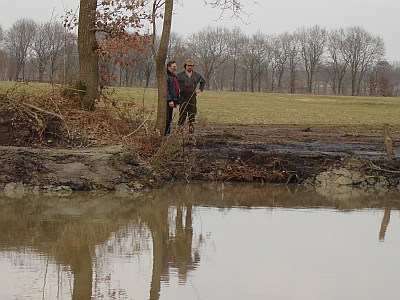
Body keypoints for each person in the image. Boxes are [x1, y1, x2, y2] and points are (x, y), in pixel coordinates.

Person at [177, 59, 206, 134]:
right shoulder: (179, 75)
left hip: (192, 97)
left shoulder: (196, 75)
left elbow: (203, 81)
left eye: (191, 66)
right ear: (185, 66)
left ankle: (191, 130)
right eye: (188, 65)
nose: (190, 67)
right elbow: (175, 84)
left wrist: (200, 89)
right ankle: (180, 131)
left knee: (192, 114)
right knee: (182, 114)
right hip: (183, 97)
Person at [166, 60, 180, 135]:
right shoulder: (166, 76)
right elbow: (166, 89)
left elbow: (176, 88)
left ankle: (168, 133)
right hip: (168, 101)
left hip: (173, 100)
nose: (176, 68)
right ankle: (166, 134)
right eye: (174, 66)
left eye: (176, 66)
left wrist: (176, 100)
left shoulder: (174, 75)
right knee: (167, 118)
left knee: (169, 118)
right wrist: (170, 100)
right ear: (169, 67)